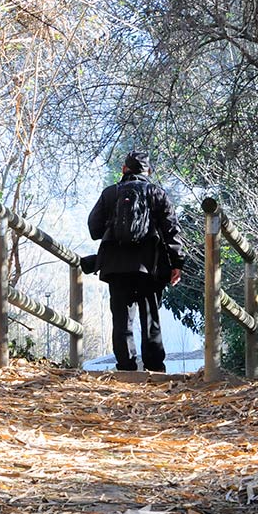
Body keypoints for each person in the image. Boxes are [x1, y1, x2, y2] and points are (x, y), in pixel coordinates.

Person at [86, 151, 183, 372]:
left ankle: (126, 366)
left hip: (115, 266)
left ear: (124, 169)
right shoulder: (157, 193)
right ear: (147, 171)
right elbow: (171, 230)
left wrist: (115, 228)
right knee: (151, 318)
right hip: (150, 266)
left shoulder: (110, 193)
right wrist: (177, 262)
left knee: (121, 319)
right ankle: (154, 367)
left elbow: (94, 228)